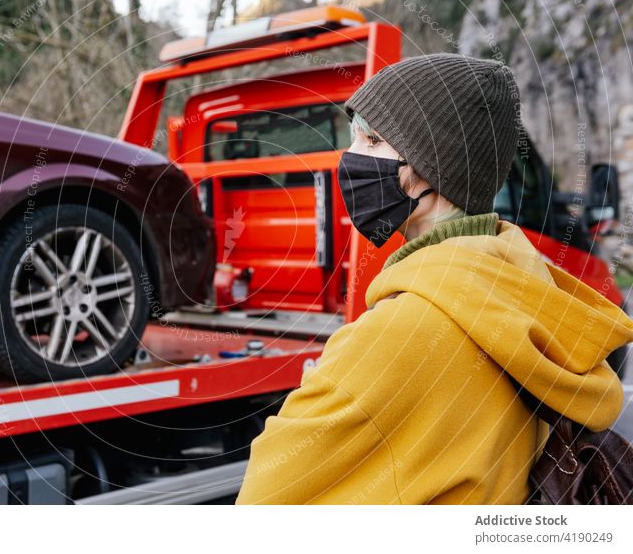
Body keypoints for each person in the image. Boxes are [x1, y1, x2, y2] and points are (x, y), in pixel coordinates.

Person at [235, 53, 633, 505]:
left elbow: (264, 499)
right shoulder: (525, 289)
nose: (350, 158)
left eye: (371, 139)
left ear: (431, 168)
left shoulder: (398, 332)